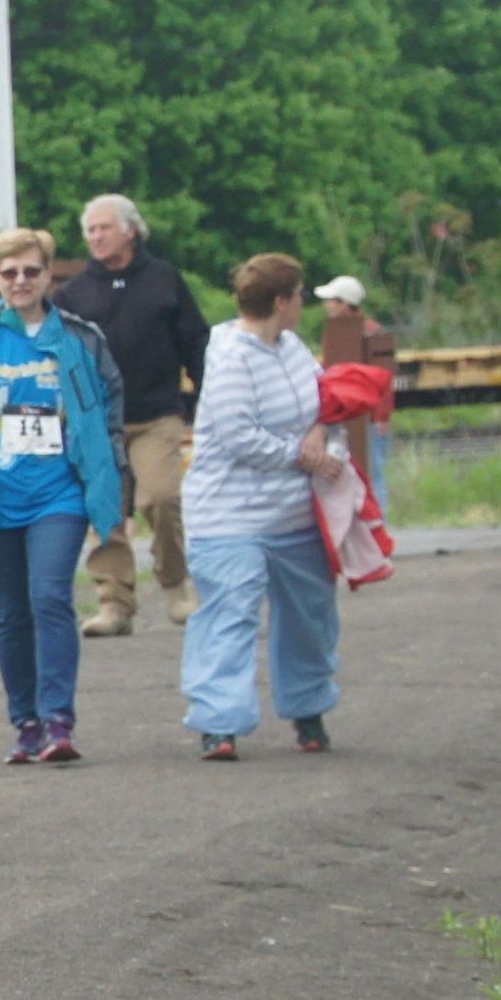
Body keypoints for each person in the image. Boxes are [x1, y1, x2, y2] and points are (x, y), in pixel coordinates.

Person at [0, 226, 126, 765]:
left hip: (58, 494)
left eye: (31, 271)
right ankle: (26, 723)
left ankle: (59, 719)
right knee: (11, 614)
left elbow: (109, 409)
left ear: (47, 275)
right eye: (9, 273)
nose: (20, 281)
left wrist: (111, 477)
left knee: (50, 598)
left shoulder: (81, 340)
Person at [180, 253, 346, 756]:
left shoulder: (295, 348)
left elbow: (326, 402)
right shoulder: (230, 355)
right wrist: (303, 458)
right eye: (298, 295)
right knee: (231, 612)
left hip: (293, 512)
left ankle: (308, 708)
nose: (302, 304)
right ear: (281, 301)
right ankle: (219, 722)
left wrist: (322, 435)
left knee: (309, 616)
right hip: (227, 514)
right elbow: (237, 436)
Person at [61, 195, 208, 634]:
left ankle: (177, 585)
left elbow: (195, 341)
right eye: (90, 230)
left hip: (157, 413)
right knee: (104, 513)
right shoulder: (74, 292)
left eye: (105, 228)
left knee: (160, 499)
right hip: (98, 420)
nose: (97, 237)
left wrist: (206, 398)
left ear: (130, 230)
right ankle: (114, 604)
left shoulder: (164, 279)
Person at [311, 274, 399, 498]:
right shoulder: (342, 332)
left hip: (368, 418)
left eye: (332, 300)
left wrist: (381, 416)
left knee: (373, 474)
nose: (327, 305)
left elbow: (383, 378)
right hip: (350, 416)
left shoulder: (369, 333)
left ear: (344, 303)